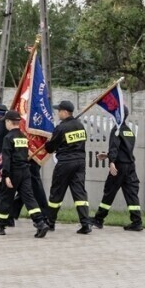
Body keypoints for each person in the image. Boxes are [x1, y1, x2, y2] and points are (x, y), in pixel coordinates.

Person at [0, 111, 50, 237]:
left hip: (13, 172)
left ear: (9, 122)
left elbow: (6, 158)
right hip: (25, 171)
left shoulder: (8, 138)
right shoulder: (23, 137)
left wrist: (6, 175)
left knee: (6, 198)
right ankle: (40, 223)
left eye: (6, 122)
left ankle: (0, 226)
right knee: (29, 198)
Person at [44, 100, 94, 234]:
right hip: (80, 163)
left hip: (65, 163)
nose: (58, 113)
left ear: (65, 112)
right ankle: (86, 224)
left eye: (59, 111)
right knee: (80, 193)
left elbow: (50, 148)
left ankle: (50, 223)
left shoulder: (61, 128)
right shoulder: (80, 126)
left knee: (56, 193)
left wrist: (48, 142)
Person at [94, 108, 144, 232]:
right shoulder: (129, 131)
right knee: (131, 193)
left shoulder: (116, 130)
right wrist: (107, 155)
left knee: (109, 191)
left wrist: (111, 162)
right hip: (130, 167)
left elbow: (115, 147)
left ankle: (98, 219)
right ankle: (137, 222)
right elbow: (124, 150)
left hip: (119, 166)